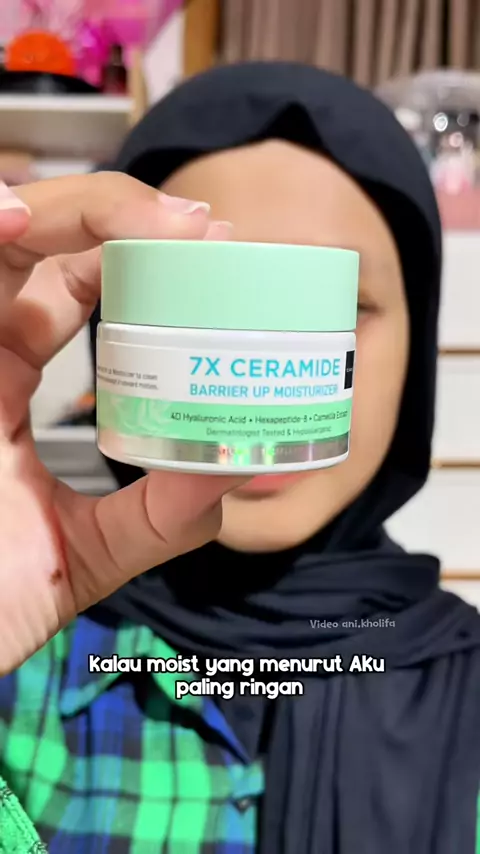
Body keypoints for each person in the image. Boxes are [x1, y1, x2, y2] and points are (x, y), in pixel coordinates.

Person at [0, 62, 479, 854]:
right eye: (202, 296)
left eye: (334, 305)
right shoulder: (22, 676)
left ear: (416, 347)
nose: (251, 386)